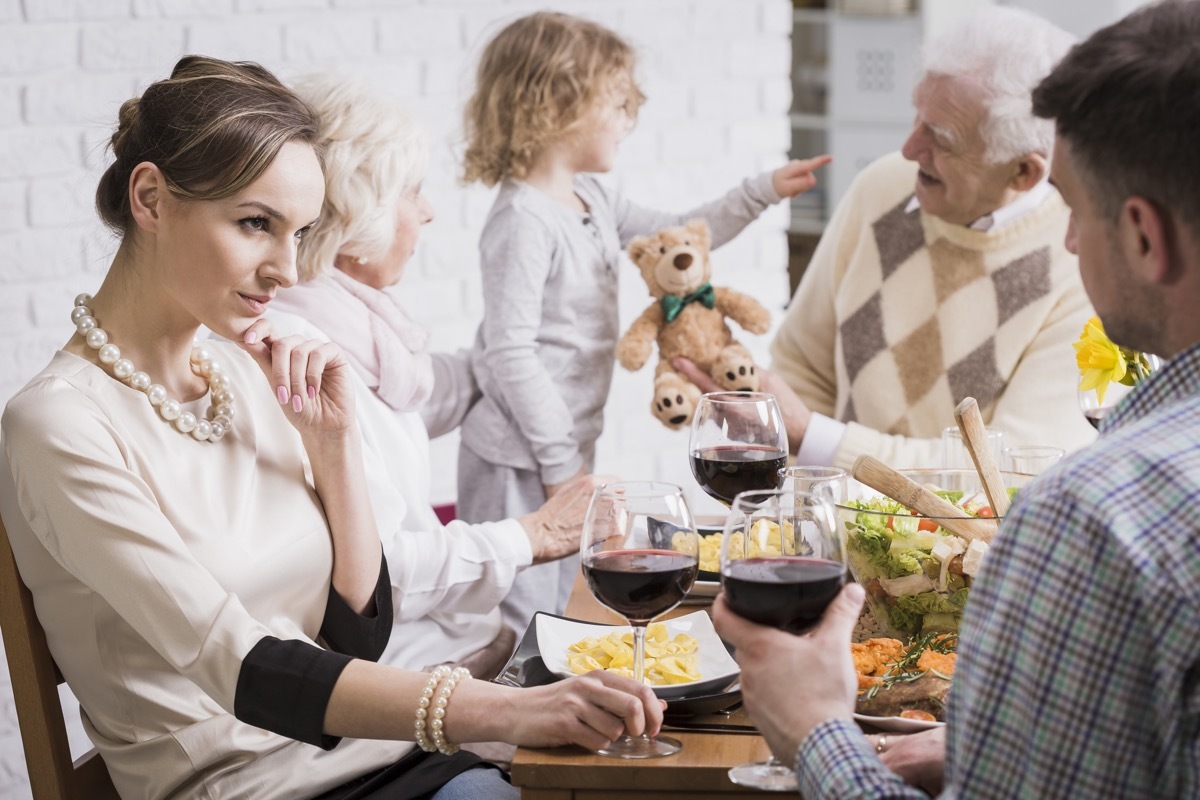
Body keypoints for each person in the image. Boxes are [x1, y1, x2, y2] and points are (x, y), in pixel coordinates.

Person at [0, 56, 663, 800]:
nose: (287, 267)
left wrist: (335, 441)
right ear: (150, 197)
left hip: (385, 759)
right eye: (256, 224)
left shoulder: (246, 371)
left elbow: (357, 636)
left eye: (302, 231)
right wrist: (514, 709)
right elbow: (243, 665)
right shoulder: (58, 424)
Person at [713, 1, 1200, 796]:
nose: (1071, 239)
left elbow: (1006, 482)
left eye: (1077, 210)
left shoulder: (1093, 519)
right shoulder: (878, 194)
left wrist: (815, 733)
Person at [456, 10, 831, 631]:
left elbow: (682, 236)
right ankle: (498, 723)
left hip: (563, 445)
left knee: (557, 595)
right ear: (558, 104)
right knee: (517, 609)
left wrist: (760, 191)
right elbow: (509, 353)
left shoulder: (593, 199)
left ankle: (547, 708)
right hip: (514, 457)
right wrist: (561, 466)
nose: (630, 118)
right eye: (618, 103)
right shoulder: (523, 221)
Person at [267, 74, 600, 687]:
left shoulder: (357, 333)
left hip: (452, 646)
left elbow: (449, 385)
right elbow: (379, 568)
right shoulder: (299, 359)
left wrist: (530, 338)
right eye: (411, 192)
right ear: (357, 210)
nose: (428, 211)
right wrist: (534, 534)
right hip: (399, 683)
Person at [680, 6, 1096, 471]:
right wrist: (809, 500)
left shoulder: (1083, 265)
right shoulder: (883, 186)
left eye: (940, 137)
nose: (909, 148)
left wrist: (814, 435)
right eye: (917, 116)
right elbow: (803, 364)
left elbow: (1014, 467)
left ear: (1022, 171)